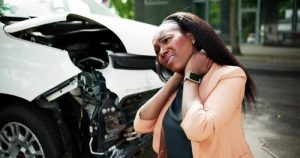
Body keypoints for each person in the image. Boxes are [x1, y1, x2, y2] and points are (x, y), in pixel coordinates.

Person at [134, 12, 256, 158]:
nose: (162, 52)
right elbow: (140, 124)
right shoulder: (178, 85)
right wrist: (176, 78)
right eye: (157, 50)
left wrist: (191, 76)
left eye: (166, 40)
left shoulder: (230, 76)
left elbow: (197, 129)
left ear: (191, 36)